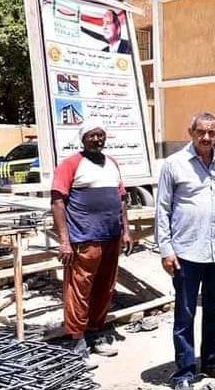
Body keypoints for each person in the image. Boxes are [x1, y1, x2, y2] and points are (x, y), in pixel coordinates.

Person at [155, 112, 215, 390]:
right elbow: (162, 209)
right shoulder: (174, 164)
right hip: (186, 253)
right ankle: (185, 371)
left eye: (211, 132)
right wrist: (166, 249)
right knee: (185, 314)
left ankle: (211, 362)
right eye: (200, 132)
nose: (206, 137)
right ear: (191, 132)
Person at [51, 120, 131, 367]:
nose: (97, 139)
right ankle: (76, 341)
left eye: (100, 135)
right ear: (83, 139)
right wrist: (64, 241)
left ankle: (96, 332)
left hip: (111, 237)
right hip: (84, 238)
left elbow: (122, 199)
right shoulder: (70, 164)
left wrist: (126, 231)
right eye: (92, 135)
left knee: (105, 288)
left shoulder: (112, 163)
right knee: (79, 290)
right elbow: (57, 202)